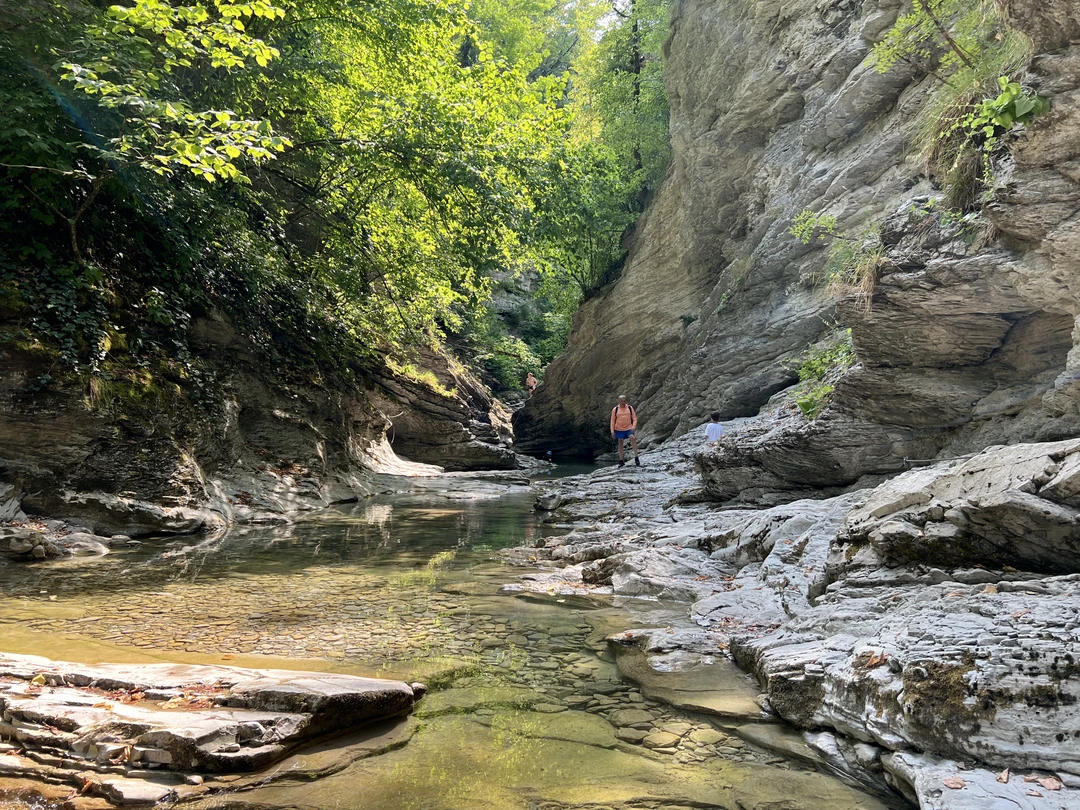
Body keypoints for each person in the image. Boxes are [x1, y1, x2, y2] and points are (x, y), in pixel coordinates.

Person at [609, 395, 640, 467]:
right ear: (619, 401)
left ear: (626, 401)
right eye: (621, 401)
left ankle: (636, 457)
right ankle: (621, 460)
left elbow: (634, 418)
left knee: (633, 438)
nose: (623, 403)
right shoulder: (615, 409)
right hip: (619, 429)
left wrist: (633, 427)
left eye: (624, 401)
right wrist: (612, 431)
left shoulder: (629, 408)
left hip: (628, 428)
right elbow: (612, 421)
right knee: (620, 443)